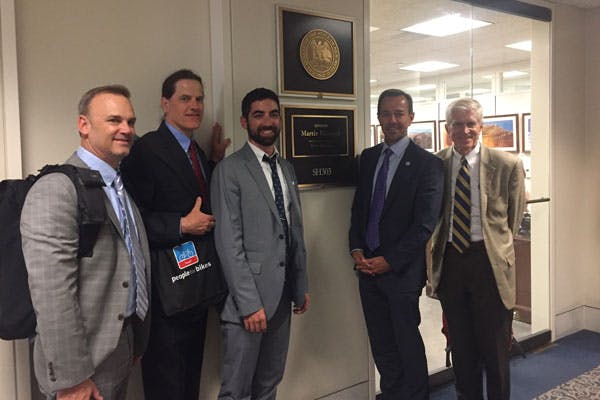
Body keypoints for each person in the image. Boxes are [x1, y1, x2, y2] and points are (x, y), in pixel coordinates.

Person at [20, 85, 151, 400]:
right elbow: (51, 291)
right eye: (114, 120)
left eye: (131, 122)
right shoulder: (57, 189)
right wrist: (72, 379)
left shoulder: (118, 187)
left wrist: (135, 339)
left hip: (120, 345)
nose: (126, 129)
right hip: (81, 364)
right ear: (83, 125)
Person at [120, 69, 230, 400]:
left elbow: (189, 191)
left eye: (199, 99)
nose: (194, 105)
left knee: (190, 380)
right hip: (165, 294)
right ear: (165, 103)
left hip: (196, 287)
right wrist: (182, 226)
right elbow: (132, 223)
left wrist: (213, 161)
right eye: (185, 98)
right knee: (166, 385)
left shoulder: (195, 152)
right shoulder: (147, 150)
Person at [211, 88, 309, 400]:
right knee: (236, 390)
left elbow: (294, 230)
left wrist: (299, 283)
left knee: (268, 384)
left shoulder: (286, 168)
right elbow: (229, 242)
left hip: (282, 297)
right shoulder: (230, 170)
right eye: (258, 115)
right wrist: (249, 303)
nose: (267, 121)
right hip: (248, 302)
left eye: (273, 114)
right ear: (244, 122)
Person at [349, 88, 443, 399]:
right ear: (378, 118)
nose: (393, 120)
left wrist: (390, 260)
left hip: (400, 273)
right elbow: (360, 210)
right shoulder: (369, 158)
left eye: (399, 114)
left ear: (411, 118)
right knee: (382, 346)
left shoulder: (427, 165)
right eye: (387, 114)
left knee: (406, 344)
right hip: (367, 271)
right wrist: (357, 249)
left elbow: (424, 225)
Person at [429, 98, 526, 400]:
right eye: (457, 124)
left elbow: (513, 217)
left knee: (495, 349)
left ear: (481, 126)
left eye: (471, 123)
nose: (465, 129)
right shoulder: (436, 164)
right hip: (452, 264)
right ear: (448, 128)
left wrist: (494, 247)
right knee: (462, 348)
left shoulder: (507, 164)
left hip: (489, 263)